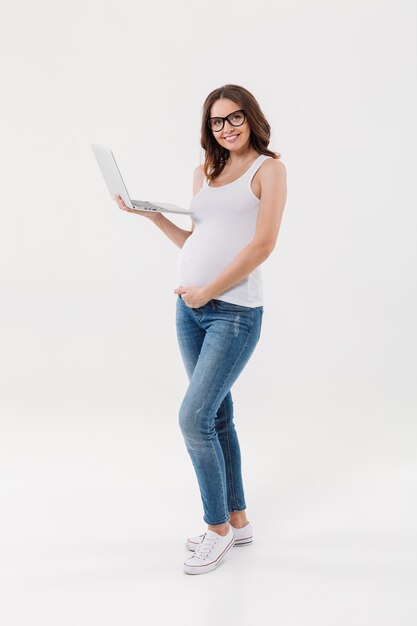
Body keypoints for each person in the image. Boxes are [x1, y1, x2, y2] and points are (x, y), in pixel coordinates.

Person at [115, 83, 287, 575]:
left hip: (233, 313)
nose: (227, 127)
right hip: (189, 309)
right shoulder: (205, 172)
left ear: (251, 117)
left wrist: (208, 290)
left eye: (235, 117)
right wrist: (152, 219)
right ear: (207, 129)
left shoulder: (268, 170)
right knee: (215, 418)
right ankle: (239, 519)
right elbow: (198, 238)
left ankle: (217, 531)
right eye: (216, 121)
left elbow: (263, 246)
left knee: (193, 419)